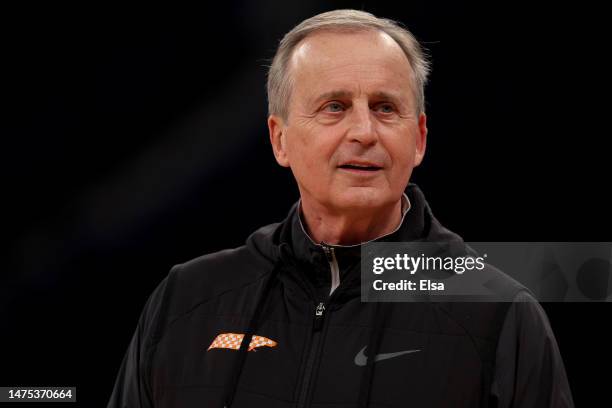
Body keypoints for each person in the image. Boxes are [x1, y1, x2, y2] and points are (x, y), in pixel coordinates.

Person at [107, 9, 574, 407]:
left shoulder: (499, 315)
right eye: (334, 106)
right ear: (279, 138)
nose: (365, 132)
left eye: (386, 108)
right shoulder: (185, 300)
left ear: (419, 139)